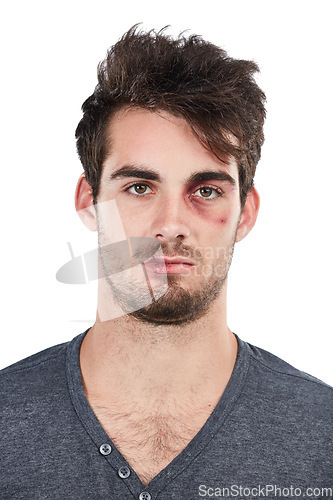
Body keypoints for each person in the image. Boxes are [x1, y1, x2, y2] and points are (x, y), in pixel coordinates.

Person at [1, 26, 332, 500]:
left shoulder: (323, 438)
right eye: (139, 187)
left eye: (206, 190)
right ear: (90, 202)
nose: (172, 223)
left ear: (246, 214)